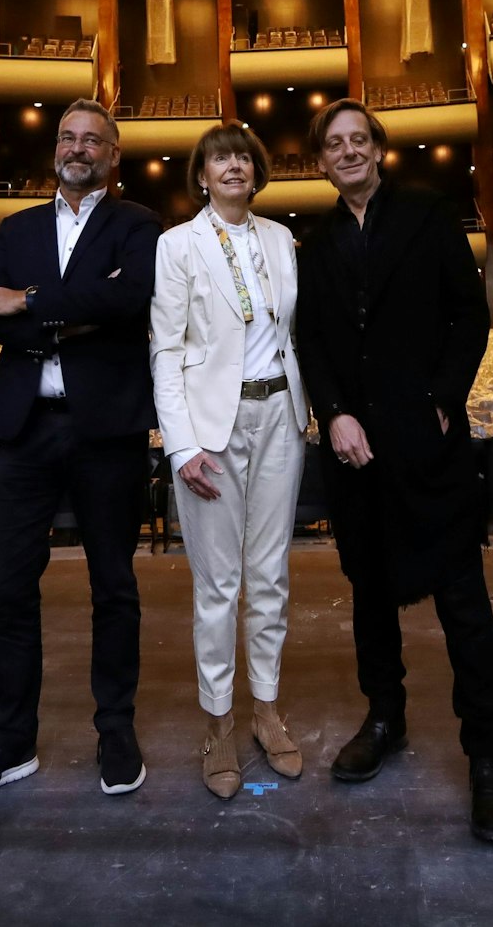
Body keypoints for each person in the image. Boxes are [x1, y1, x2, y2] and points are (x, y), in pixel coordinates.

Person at [295, 98, 493, 843]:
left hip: (427, 439)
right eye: (336, 143)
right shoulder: (317, 241)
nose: (349, 150)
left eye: (360, 138)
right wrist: (333, 412)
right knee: (369, 593)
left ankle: (487, 757)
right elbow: (313, 340)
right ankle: (384, 715)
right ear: (321, 162)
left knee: (462, 599)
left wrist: (443, 398)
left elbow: (469, 314)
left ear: (379, 150)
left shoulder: (428, 214)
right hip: (356, 447)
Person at [0, 98, 161, 813]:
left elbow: (134, 302)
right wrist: (74, 313)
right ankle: (11, 739)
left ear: (113, 155)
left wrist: (27, 299)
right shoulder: (17, 226)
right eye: (68, 136)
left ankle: (115, 729)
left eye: (94, 139)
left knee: (114, 586)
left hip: (108, 430)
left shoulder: (138, 225)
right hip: (27, 429)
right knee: (5, 590)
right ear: (54, 148)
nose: (79, 147)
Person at [149, 123, 309, 799]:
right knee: (218, 587)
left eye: (243, 155)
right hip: (212, 429)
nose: (234, 165)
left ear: (256, 168)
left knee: (269, 575)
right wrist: (182, 444)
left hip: (281, 416)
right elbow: (165, 347)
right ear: (203, 175)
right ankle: (218, 723)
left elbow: (291, 331)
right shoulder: (177, 244)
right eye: (221, 158)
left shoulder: (279, 237)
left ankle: (266, 711)